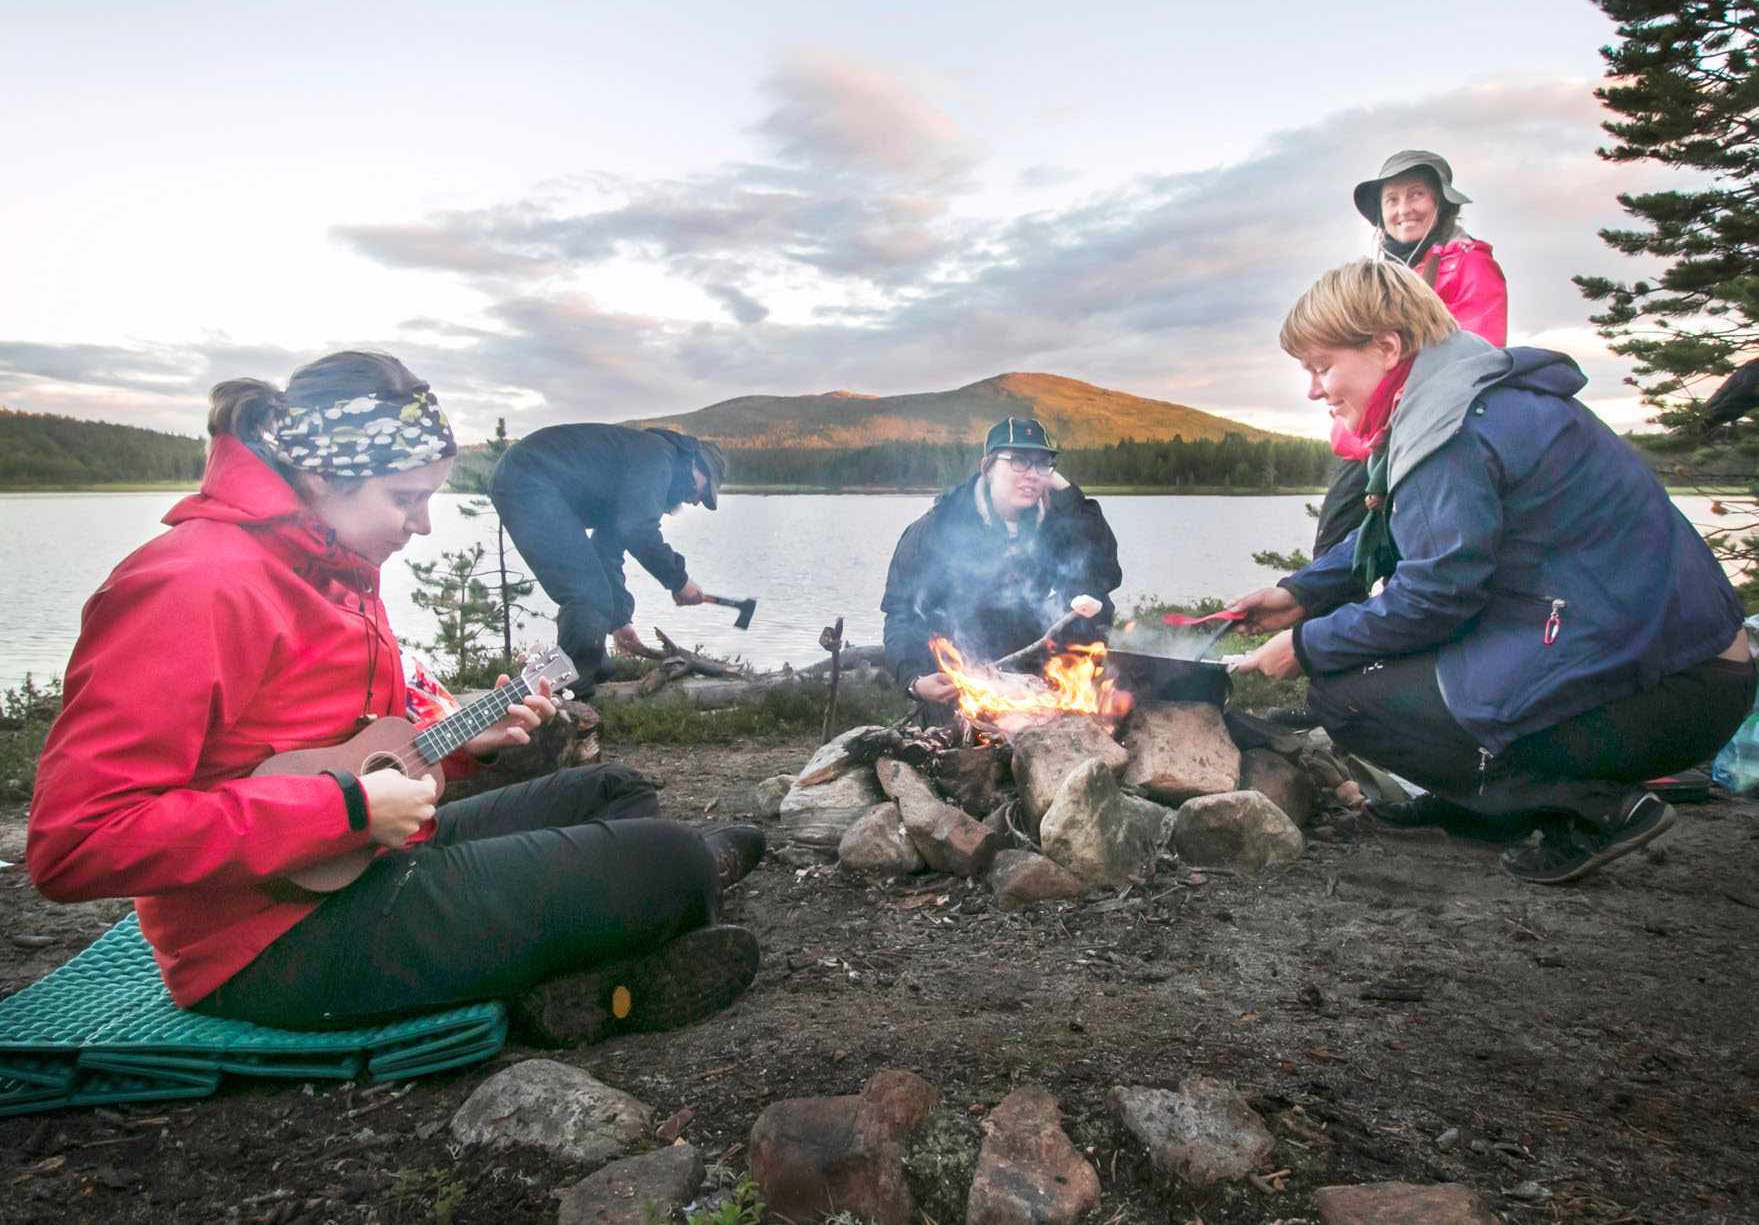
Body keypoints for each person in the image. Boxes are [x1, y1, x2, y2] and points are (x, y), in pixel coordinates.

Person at [27, 352, 764, 1047]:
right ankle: (647, 928)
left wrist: (459, 747)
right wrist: (343, 810)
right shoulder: (195, 584)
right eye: (405, 497)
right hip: (272, 942)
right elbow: (76, 842)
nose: (422, 523)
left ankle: (607, 942)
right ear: (323, 478)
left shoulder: (333, 563)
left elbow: (335, 743)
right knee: (667, 856)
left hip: (362, 860)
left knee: (617, 788)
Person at [1229, 260, 1753, 885]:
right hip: (1684, 669)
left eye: (1321, 367)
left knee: (1347, 697)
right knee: (1379, 669)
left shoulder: (1453, 431)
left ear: (1386, 346)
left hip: (1663, 694)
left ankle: (1600, 812)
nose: (1315, 389)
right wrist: (1300, 592)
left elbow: (1437, 597)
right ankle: (1486, 807)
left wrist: (1307, 643)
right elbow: (1408, 534)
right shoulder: (1469, 398)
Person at [1312, 150, 1508, 558]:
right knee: (1334, 552)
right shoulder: (1375, 276)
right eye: (1392, 199)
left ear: (1440, 202)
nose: (1404, 209)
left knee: (1413, 556)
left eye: (1416, 194)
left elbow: (1475, 356)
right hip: (1370, 441)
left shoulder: (1471, 266)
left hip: (1428, 435)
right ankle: (1322, 620)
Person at [882, 417, 1122, 706]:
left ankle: (1062, 696)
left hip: (1030, 670)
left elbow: (1103, 575)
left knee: (1092, 604)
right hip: (960, 676)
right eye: (1019, 461)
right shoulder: (938, 527)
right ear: (988, 468)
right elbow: (900, 612)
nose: (1032, 474)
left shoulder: (1052, 525)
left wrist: (1069, 494)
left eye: (1042, 463)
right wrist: (914, 681)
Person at [488, 424, 728, 689]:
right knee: (586, 594)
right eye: (704, 492)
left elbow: (607, 551)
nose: (696, 501)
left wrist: (619, 621)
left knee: (592, 598)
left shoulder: (642, 466)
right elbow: (638, 529)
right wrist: (678, 579)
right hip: (528, 478)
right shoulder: (659, 456)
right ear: (697, 465)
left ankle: (579, 679)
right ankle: (566, 693)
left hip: (528, 480)